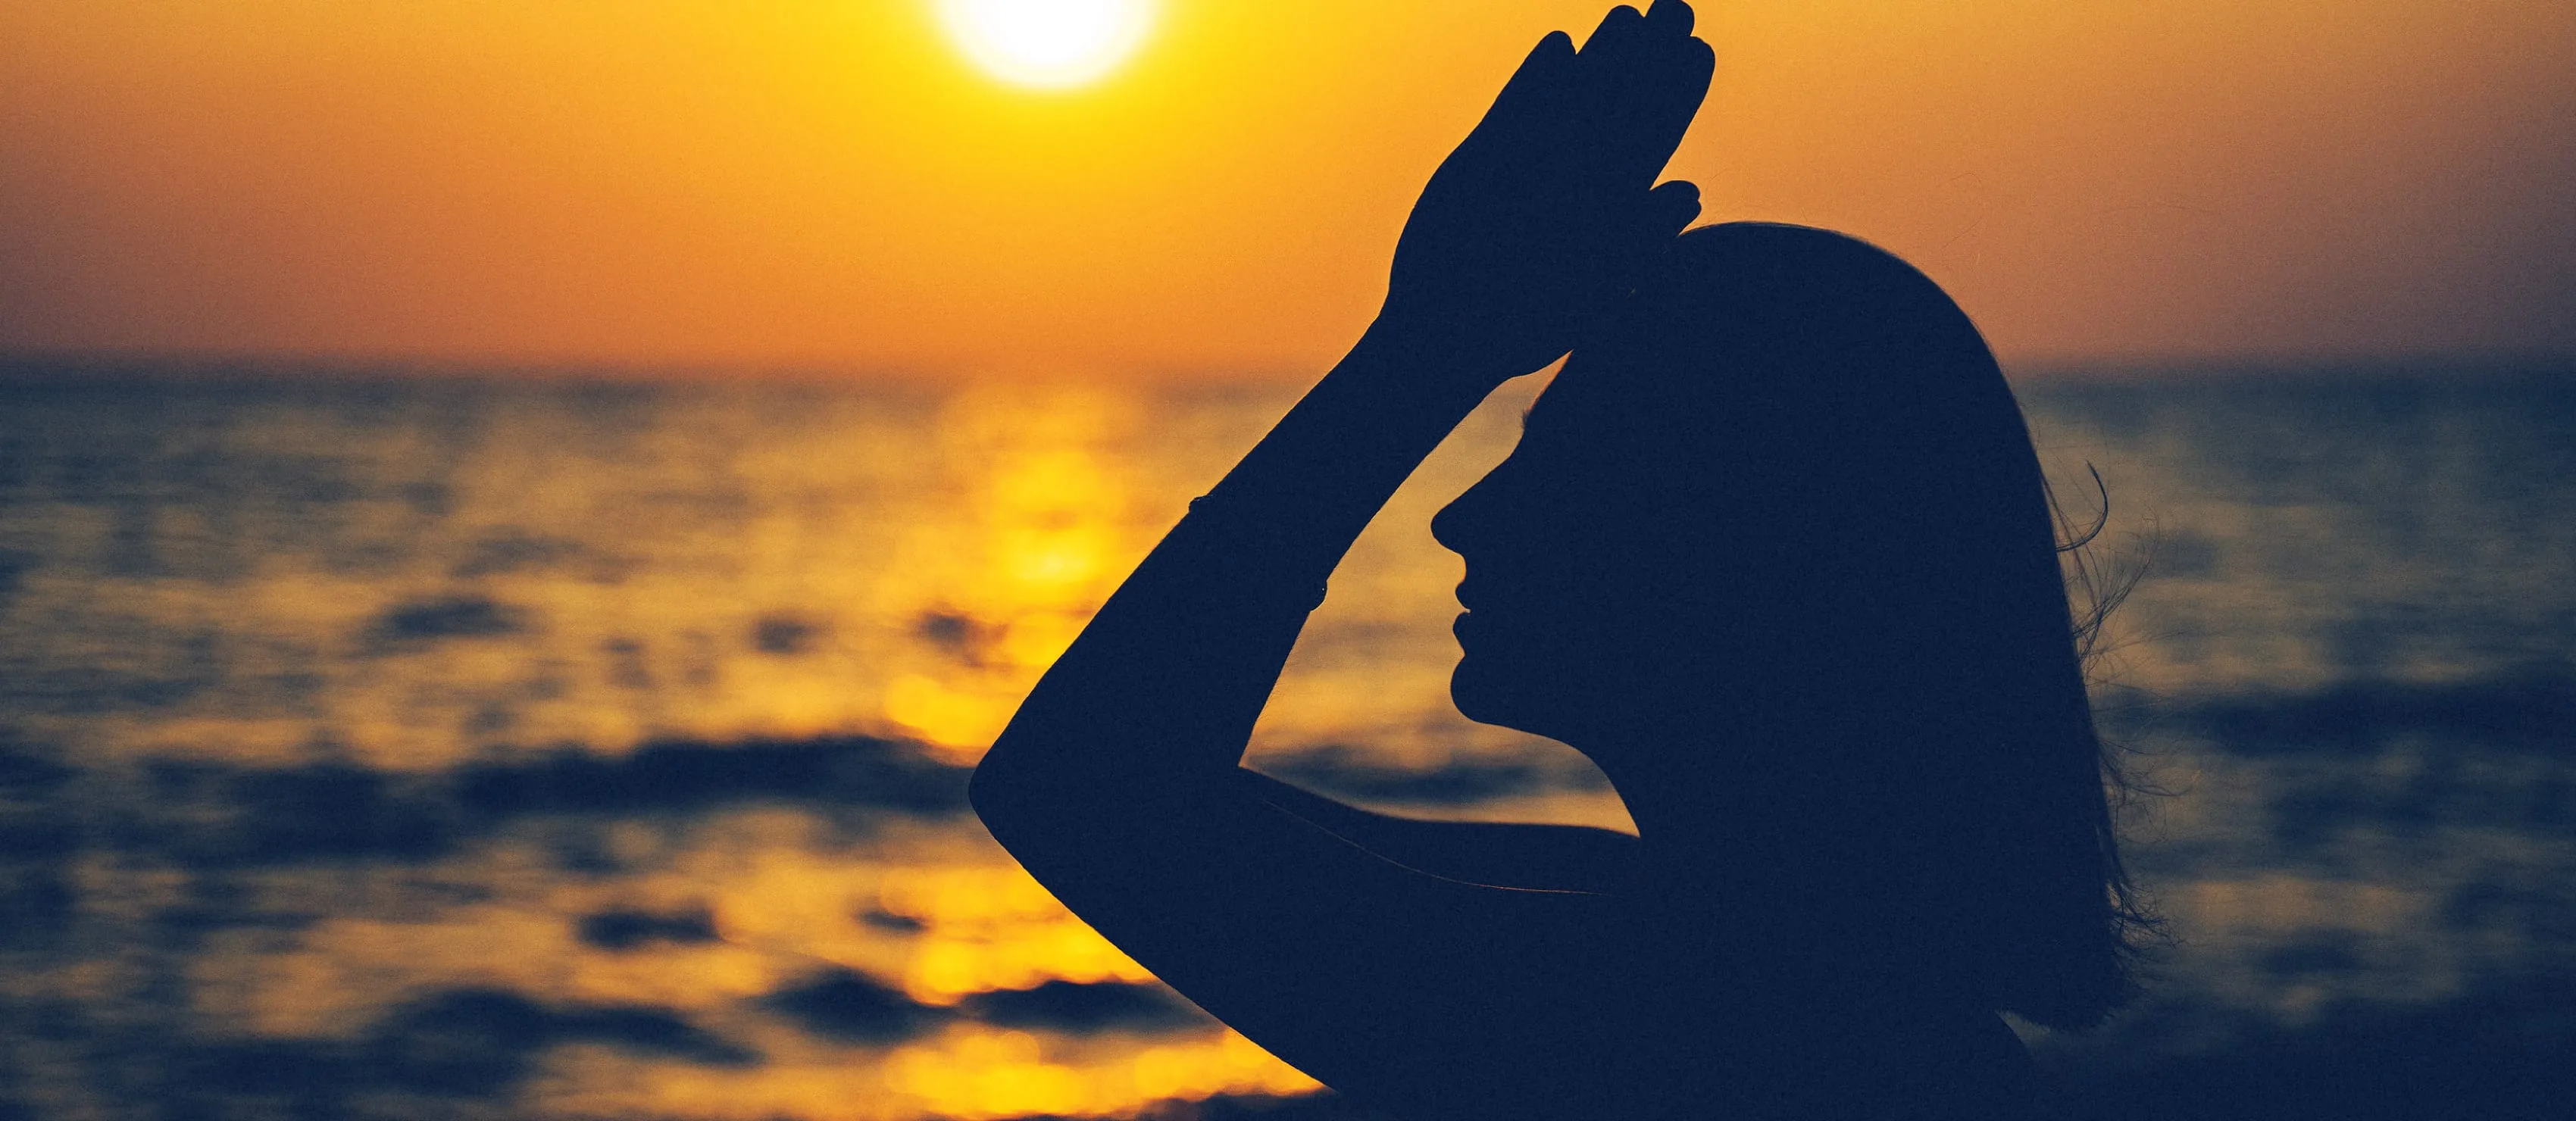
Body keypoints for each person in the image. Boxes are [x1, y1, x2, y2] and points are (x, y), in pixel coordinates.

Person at [970, 3, 2149, 1118]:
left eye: (1559, 460)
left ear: (1724, 551)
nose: (1463, 518)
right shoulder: (1760, 954)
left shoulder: (1692, 1027)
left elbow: (1081, 790)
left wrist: (1432, 345)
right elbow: (1130, 786)